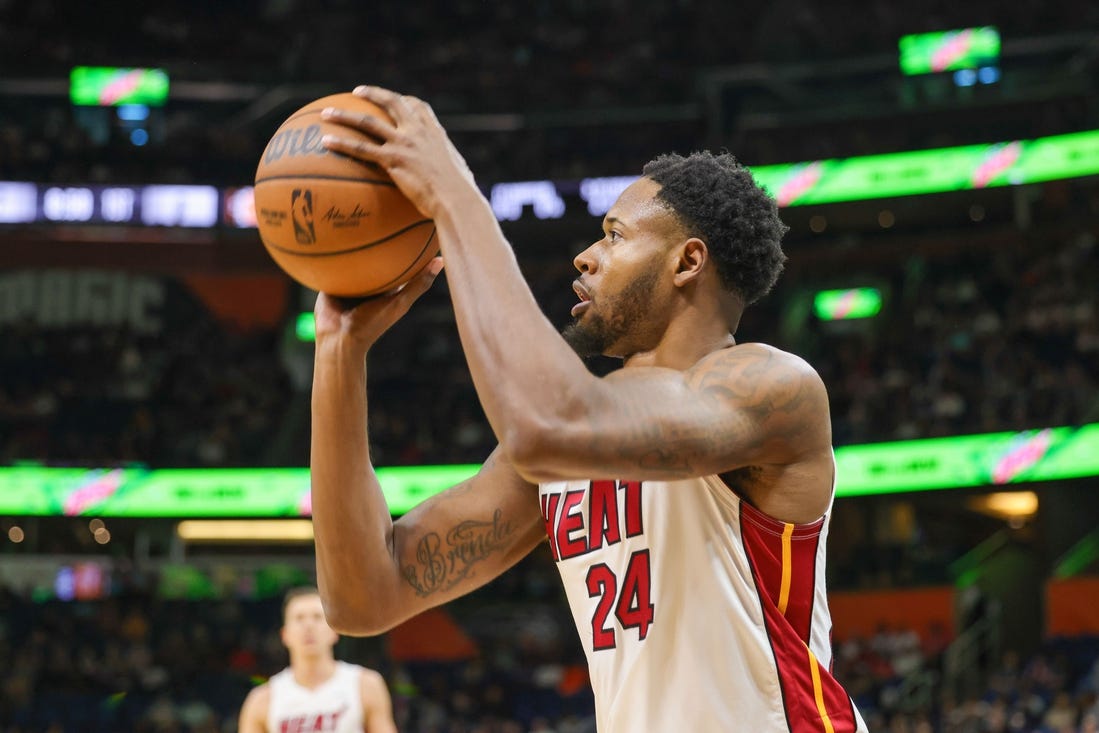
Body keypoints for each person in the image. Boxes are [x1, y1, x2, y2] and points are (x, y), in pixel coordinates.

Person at [309, 85, 869, 732]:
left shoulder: (769, 386)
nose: (585, 255)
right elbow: (363, 594)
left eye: (613, 235)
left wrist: (455, 197)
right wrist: (339, 354)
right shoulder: (571, 442)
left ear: (687, 260)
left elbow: (546, 424)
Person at [238, 587, 397, 733]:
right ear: (285, 635)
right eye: (299, 618)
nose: (308, 626)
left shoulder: (365, 685)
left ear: (335, 631)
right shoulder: (262, 699)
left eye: (317, 617)